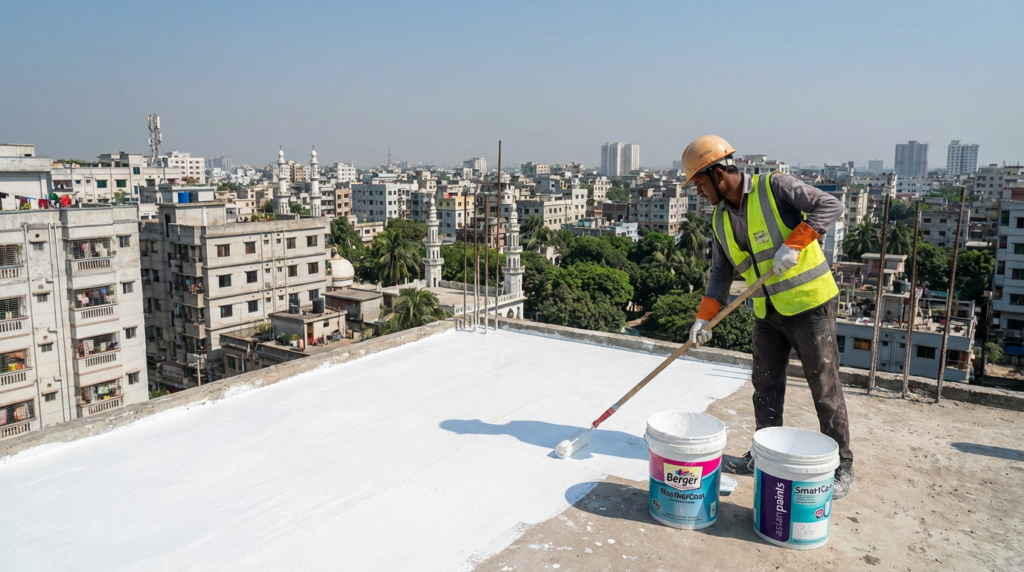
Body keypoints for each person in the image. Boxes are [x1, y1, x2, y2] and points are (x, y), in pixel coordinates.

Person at [681, 135, 855, 499]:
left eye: (699, 182)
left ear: (717, 173)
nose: (697, 191)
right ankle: (763, 455)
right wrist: (704, 319)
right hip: (767, 311)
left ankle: (841, 466)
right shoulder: (719, 220)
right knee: (765, 386)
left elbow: (830, 205)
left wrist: (796, 242)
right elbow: (719, 273)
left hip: (809, 305)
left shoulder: (773, 187)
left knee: (824, 388)